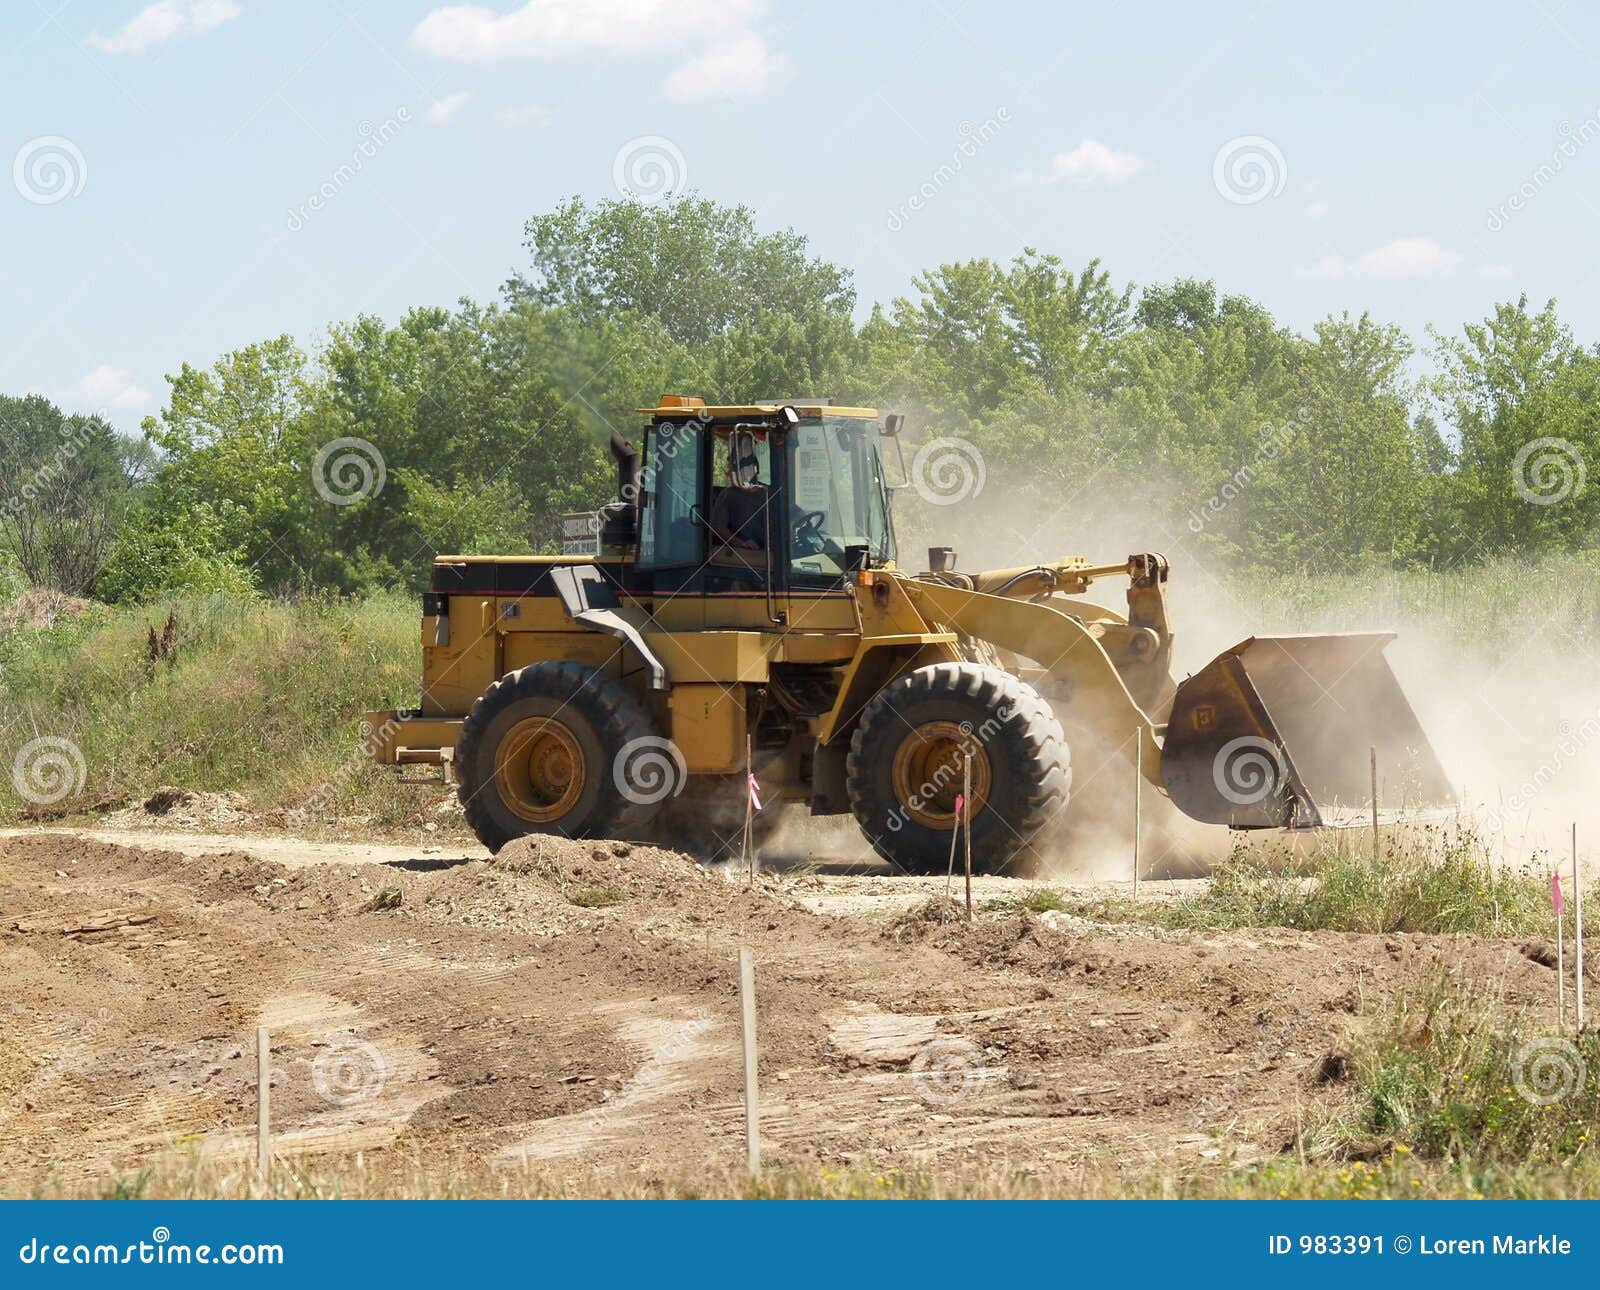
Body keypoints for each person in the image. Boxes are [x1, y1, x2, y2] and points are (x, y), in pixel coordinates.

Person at [709, 450, 769, 551]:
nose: (727, 473)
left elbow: (794, 516)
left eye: (731, 470)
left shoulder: (769, 492)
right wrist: (742, 543)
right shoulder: (727, 495)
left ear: (746, 470)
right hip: (743, 553)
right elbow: (719, 526)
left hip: (773, 552)